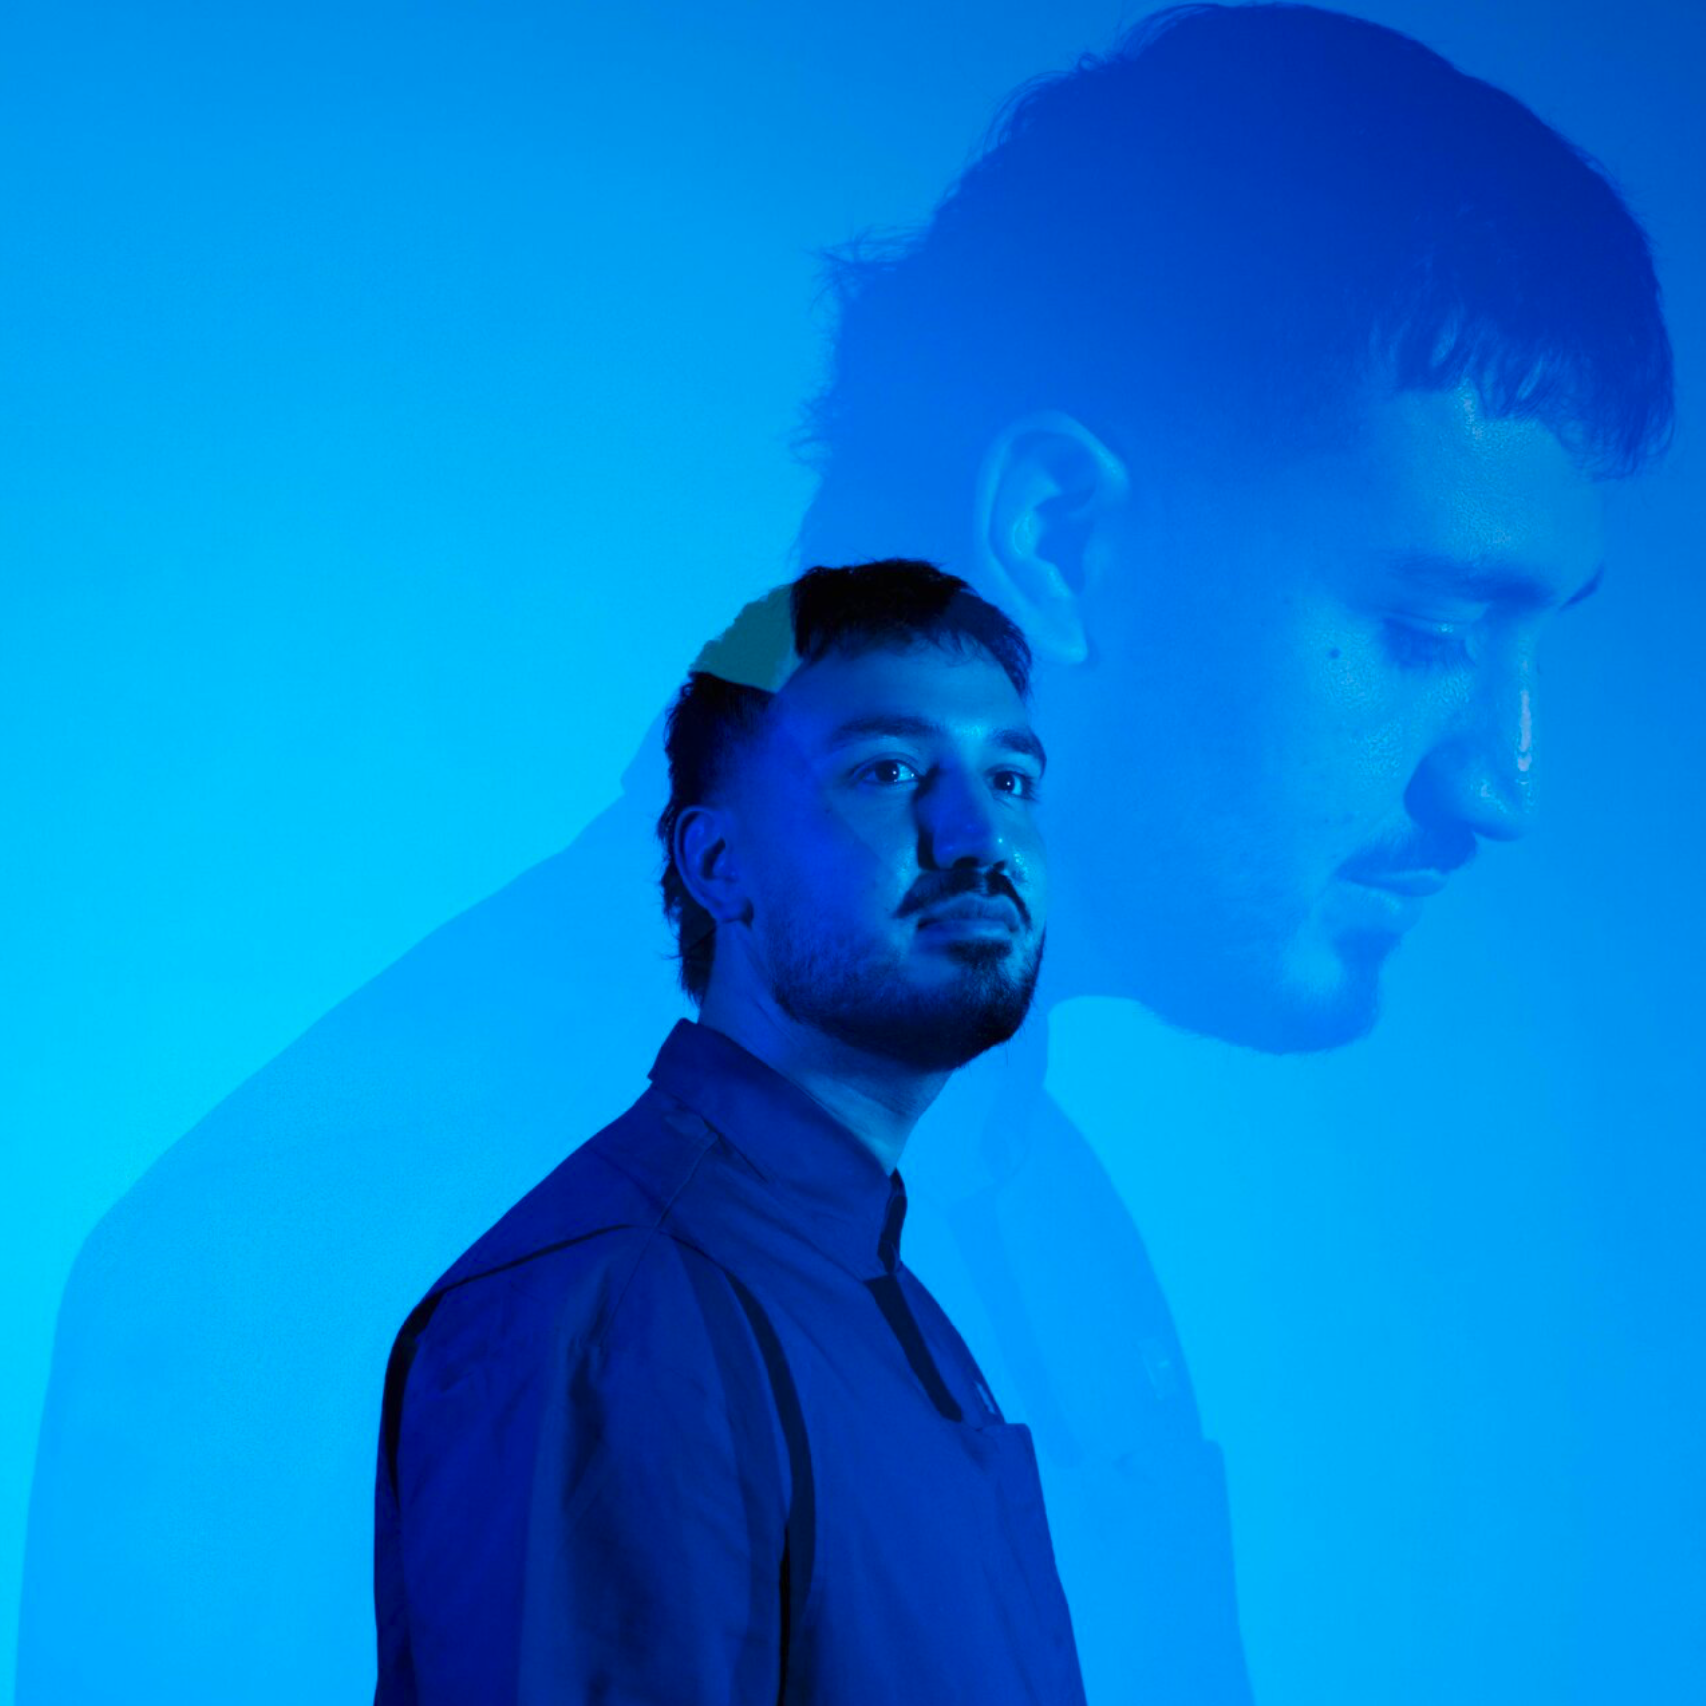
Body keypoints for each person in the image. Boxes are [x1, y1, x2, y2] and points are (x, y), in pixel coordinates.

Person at [19, 9, 1673, 1704]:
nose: (1503, 784)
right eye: (1419, 628)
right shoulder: (373, 1253)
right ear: (1063, 538)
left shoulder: (1038, 1220)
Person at [374, 560, 1081, 1702]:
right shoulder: (615, 1307)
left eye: (1010, 776)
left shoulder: (872, 1286)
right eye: (887, 769)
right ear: (718, 864)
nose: (975, 833)